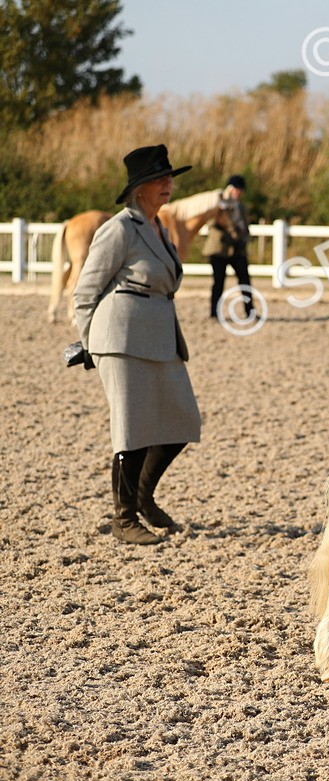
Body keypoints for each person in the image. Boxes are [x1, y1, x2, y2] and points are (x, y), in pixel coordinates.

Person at [73, 145, 202, 545]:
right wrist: (90, 344)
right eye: (160, 178)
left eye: (169, 177)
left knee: (182, 420)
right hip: (120, 338)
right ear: (139, 187)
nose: (168, 184)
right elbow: (85, 291)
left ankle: (144, 498)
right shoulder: (119, 229)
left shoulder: (159, 226)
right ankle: (124, 518)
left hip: (160, 338)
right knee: (132, 429)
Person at [204, 174, 253, 320]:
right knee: (218, 282)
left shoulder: (241, 207)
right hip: (220, 249)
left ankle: (249, 311)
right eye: (237, 189)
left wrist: (243, 239)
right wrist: (225, 236)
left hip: (237, 249)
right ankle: (214, 312)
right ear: (230, 189)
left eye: (240, 190)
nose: (239, 193)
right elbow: (211, 224)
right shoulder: (219, 205)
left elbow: (245, 226)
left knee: (245, 280)